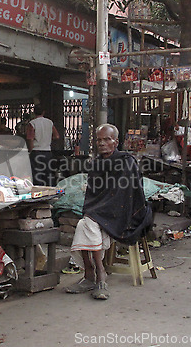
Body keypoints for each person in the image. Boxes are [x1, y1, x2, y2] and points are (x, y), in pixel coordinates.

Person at [64, 123, 152, 300]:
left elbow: (124, 196)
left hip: (126, 213)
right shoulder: (96, 164)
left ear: (116, 142)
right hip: (101, 212)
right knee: (86, 222)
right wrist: (95, 211)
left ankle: (94, 274)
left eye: (107, 139)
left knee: (87, 222)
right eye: (99, 140)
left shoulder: (126, 162)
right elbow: (93, 195)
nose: (102, 143)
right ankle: (98, 276)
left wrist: (98, 212)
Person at [26, 105, 59, 186]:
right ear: (43, 112)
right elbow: (57, 136)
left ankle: (39, 194)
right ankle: (48, 193)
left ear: (34, 113)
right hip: (48, 152)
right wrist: (48, 138)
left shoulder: (32, 123)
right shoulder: (50, 122)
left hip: (36, 152)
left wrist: (30, 151)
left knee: (37, 175)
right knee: (48, 175)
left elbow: (30, 138)